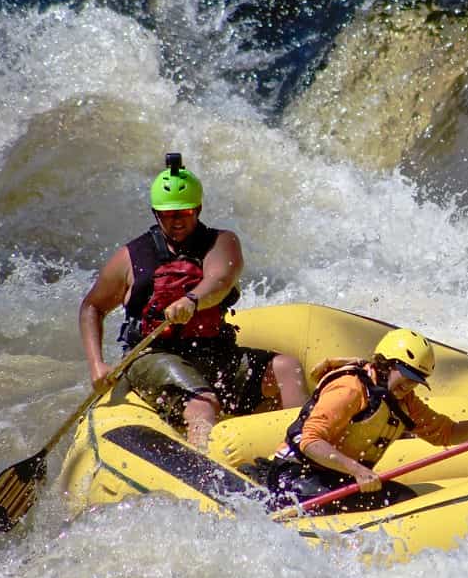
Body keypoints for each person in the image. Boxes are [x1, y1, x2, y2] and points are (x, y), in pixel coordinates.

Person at [79, 152, 308, 450]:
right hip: (154, 355)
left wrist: (192, 299)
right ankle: (208, 476)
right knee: (203, 405)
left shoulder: (221, 242)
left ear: (198, 209)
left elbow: (220, 280)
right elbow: (92, 308)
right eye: (168, 214)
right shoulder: (130, 257)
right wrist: (97, 364)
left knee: (287, 368)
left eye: (184, 213)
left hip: (213, 350)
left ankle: (297, 453)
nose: (176, 222)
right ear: (155, 214)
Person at [262, 328, 468, 513]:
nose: (409, 386)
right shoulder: (350, 389)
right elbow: (311, 441)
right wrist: (357, 470)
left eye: (416, 381)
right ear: (385, 363)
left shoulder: (405, 401)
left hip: (337, 478)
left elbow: (447, 433)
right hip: (295, 475)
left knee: (403, 499)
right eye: (406, 376)